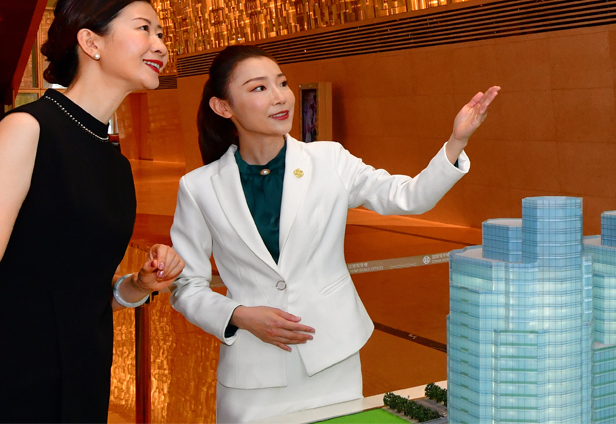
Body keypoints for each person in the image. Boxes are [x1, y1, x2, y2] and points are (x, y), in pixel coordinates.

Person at [170, 45, 499, 422]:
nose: (280, 97)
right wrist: (239, 315)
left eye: (282, 83)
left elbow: (409, 196)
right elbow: (186, 285)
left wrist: (456, 142)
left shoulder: (330, 160)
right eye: (259, 88)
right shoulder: (198, 187)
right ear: (222, 107)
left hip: (332, 359)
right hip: (251, 372)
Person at [0, 0, 187, 424]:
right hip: (5, 380)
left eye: (161, 33)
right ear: (91, 42)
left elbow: (72, 290)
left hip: (81, 381)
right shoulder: (27, 130)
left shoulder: (113, 159)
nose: (160, 45)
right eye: (144, 29)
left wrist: (137, 286)